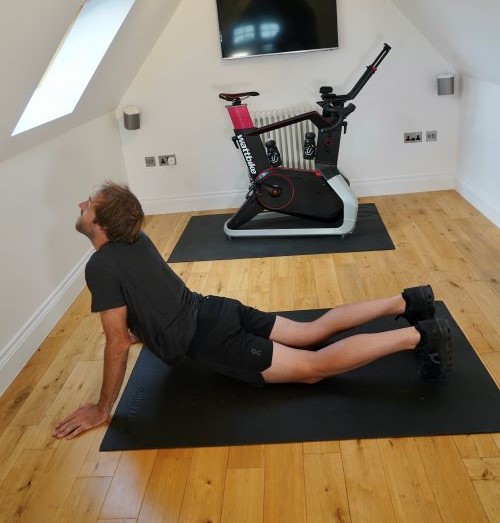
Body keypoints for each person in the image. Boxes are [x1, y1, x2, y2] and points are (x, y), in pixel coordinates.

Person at [53, 181, 453, 440]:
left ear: (102, 224)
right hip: (216, 309)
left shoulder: (101, 265)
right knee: (310, 331)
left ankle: (419, 336)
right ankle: (408, 300)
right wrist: (147, 329)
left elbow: (116, 343)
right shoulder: (136, 240)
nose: (82, 203)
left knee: (313, 369)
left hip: (212, 338)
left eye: (90, 204)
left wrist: (103, 408)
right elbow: (149, 296)